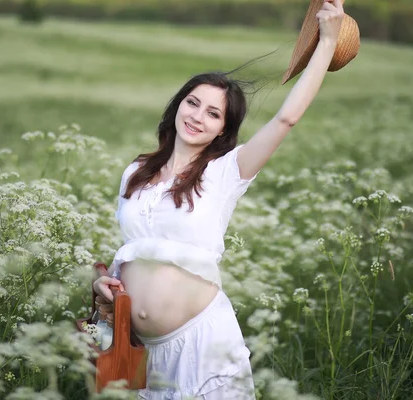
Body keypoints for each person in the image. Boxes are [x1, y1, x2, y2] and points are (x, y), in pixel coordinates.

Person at [94, 1, 345, 398]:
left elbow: (286, 119)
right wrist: (106, 285)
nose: (197, 116)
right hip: (142, 351)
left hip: (202, 345)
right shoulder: (136, 172)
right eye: (192, 102)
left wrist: (327, 42)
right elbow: (134, 247)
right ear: (177, 104)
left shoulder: (227, 172)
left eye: (213, 114)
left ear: (222, 130)